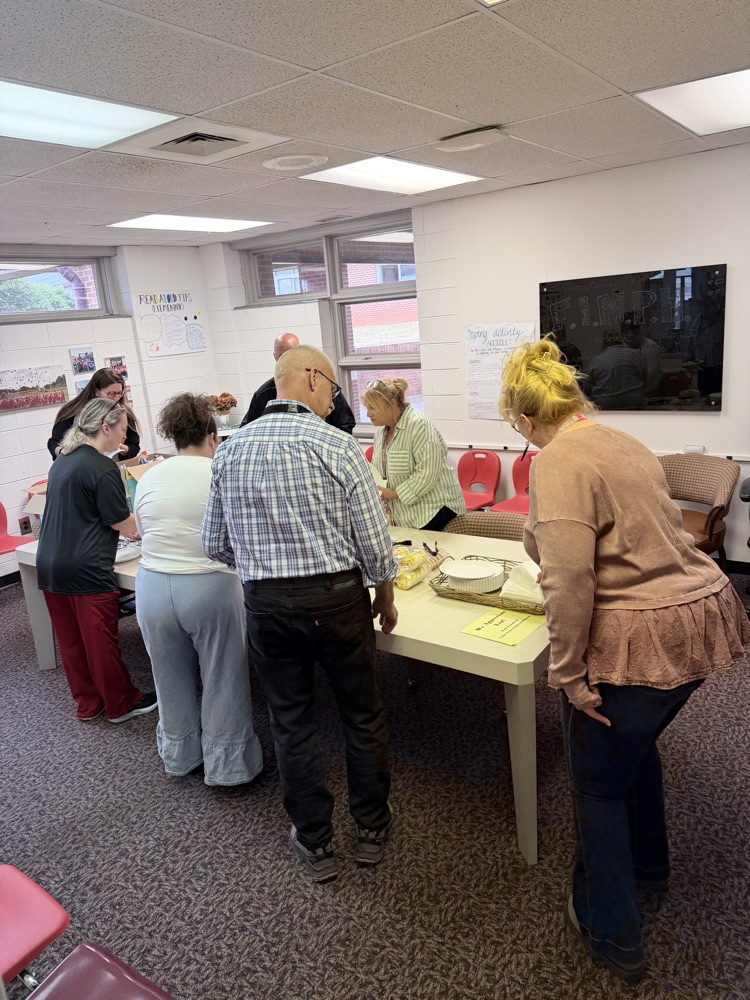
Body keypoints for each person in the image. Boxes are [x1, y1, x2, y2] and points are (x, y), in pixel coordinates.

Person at [499, 338, 749, 984]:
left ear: (527, 421)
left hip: (639, 638)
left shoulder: (556, 462)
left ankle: (612, 934)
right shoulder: (627, 444)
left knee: (597, 786)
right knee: (633, 752)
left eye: (517, 429)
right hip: (695, 624)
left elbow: (567, 584)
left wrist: (570, 674)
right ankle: (651, 868)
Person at [202, 345, 397, 883]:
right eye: (333, 389)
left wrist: (266, 564)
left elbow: (214, 544)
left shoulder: (229, 451)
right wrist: (385, 594)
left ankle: (314, 842)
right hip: (336, 601)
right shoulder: (338, 447)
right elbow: (375, 546)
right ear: (311, 378)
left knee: (291, 725)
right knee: (362, 716)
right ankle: (372, 830)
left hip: (267, 605)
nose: (334, 401)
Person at [133, 393, 263, 787]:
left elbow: (142, 530)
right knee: (223, 676)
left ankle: (180, 755)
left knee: (168, 677)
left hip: (152, 586)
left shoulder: (150, 474)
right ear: (212, 436)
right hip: (208, 587)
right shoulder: (221, 472)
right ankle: (228, 767)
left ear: (174, 437)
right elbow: (244, 537)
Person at [36, 398, 158, 723]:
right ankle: (121, 704)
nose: (124, 438)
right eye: (122, 430)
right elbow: (123, 524)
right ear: (105, 427)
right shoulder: (101, 468)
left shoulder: (63, 459)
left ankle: (89, 704)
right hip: (85, 568)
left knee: (72, 643)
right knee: (99, 641)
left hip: (49, 564)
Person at [362, 377, 466, 530]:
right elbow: (382, 471)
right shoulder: (381, 431)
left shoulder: (419, 425)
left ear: (392, 404)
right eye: (367, 408)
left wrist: (392, 493)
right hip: (405, 516)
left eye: (373, 408)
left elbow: (427, 474)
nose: (368, 414)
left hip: (434, 513)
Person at [239, 332, 356, 433]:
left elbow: (345, 422)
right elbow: (246, 428)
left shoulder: (324, 386)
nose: (289, 359)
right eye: (283, 356)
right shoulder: (263, 394)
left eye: (293, 353)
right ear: (275, 357)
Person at [47, 368, 140, 460]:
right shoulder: (71, 412)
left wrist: (124, 449)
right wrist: (63, 453)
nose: (116, 398)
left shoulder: (124, 413)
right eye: (111, 393)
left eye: (119, 393)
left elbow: (134, 446)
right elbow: (54, 443)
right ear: (96, 391)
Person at [584, 329, 647, 410]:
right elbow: (644, 377)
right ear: (622, 341)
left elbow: (588, 388)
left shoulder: (596, 360)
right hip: (634, 404)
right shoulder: (636, 355)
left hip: (605, 407)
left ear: (604, 343)